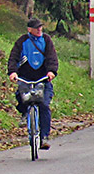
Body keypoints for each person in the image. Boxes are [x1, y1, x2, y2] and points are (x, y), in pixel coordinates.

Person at [7, 17, 58, 150]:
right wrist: (13, 72)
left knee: (44, 106)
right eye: (36, 28)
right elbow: (13, 57)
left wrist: (51, 71)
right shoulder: (22, 41)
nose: (39, 29)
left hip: (43, 79)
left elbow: (52, 57)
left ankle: (44, 136)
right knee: (21, 98)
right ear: (30, 29)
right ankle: (25, 114)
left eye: (40, 27)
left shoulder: (46, 40)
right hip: (26, 79)